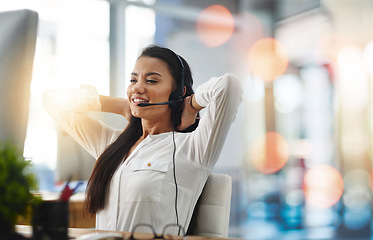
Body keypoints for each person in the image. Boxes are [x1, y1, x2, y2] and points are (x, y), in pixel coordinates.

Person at [43, 45, 242, 235]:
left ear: (177, 93)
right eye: (133, 80)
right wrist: (120, 105)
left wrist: (191, 105)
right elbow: (51, 101)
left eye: (151, 81)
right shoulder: (111, 143)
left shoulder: (192, 149)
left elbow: (228, 86)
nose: (137, 88)